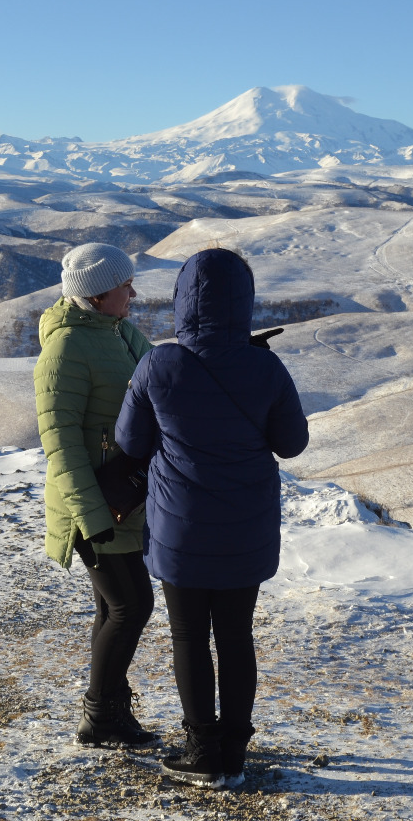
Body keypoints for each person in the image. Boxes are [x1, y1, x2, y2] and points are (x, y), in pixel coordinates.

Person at [115, 248, 310, 787]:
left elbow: (131, 442)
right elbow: (292, 444)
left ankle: (202, 750)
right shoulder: (266, 366)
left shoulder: (159, 363)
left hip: (180, 527)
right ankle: (235, 750)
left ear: (181, 301)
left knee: (187, 638)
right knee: (236, 636)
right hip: (245, 529)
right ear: (244, 302)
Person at [35, 242, 158, 748]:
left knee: (114, 610)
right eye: (125, 286)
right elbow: (58, 442)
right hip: (94, 506)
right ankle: (100, 715)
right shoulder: (64, 350)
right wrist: (90, 514)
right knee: (132, 607)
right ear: (98, 294)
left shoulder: (121, 332)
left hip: (123, 500)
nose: (133, 293)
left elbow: (161, 384)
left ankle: (107, 712)